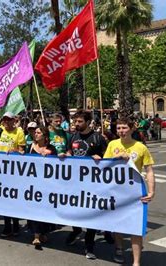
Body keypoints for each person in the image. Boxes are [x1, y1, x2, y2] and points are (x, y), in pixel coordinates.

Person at [103, 118, 155, 266]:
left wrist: (151, 191)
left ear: (131, 129)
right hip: (116, 191)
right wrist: (117, 157)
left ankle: (136, 262)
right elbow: (104, 165)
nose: (121, 131)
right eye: (118, 128)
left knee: (135, 227)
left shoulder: (141, 147)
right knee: (118, 224)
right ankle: (119, 249)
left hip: (135, 193)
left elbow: (149, 171)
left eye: (124, 128)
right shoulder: (112, 144)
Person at [65, 111, 112, 260]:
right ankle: (76, 230)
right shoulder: (72, 136)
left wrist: (101, 158)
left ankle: (89, 245)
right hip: (75, 182)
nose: (76, 124)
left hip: (93, 183)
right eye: (75, 121)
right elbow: (69, 151)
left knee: (91, 214)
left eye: (79, 121)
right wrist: (66, 155)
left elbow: (109, 159)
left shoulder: (98, 138)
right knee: (73, 210)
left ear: (87, 121)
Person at [0, 112, 25, 237]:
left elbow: (22, 150)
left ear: (13, 120)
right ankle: (7, 226)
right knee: (4, 200)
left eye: (9, 119)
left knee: (13, 199)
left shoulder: (19, 132)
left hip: (14, 171)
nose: (6, 122)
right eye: (4, 119)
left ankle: (15, 225)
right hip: (0, 171)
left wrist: (15, 150)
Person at [26, 126, 57, 250]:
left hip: (46, 184)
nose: (36, 134)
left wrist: (51, 156)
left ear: (45, 136)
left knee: (44, 209)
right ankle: (36, 235)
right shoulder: (31, 147)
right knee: (34, 209)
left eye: (39, 133)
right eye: (35, 133)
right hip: (33, 183)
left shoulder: (51, 149)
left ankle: (43, 232)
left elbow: (58, 164)